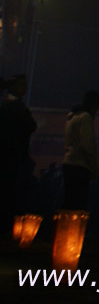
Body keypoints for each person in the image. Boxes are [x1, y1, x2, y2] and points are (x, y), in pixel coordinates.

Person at [0, 74, 36, 229]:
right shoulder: (14, 107)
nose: (25, 88)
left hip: (11, 155)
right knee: (10, 193)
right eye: (22, 84)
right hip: (13, 156)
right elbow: (30, 125)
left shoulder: (10, 106)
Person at [63, 90, 99, 210]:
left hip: (68, 162)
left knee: (67, 202)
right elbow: (87, 145)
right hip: (80, 165)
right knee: (78, 204)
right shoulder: (86, 118)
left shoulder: (71, 117)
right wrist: (95, 167)